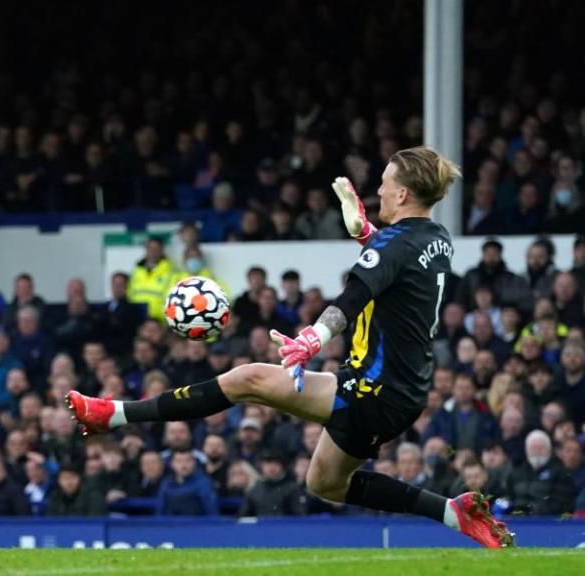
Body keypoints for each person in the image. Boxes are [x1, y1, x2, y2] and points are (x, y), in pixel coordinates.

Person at [69, 147, 514, 547]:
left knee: (248, 379)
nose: (378, 186)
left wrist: (311, 340)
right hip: (397, 388)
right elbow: (398, 267)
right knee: (326, 484)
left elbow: (351, 299)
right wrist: (367, 234)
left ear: (400, 195)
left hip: (377, 390)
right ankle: (453, 513)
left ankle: (114, 415)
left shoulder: (393, 246)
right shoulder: (436, 238)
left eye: (385, 181)